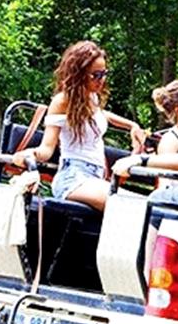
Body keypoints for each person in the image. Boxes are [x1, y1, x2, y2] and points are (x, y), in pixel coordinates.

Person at [12, 40, 147, 212]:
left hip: (97, 177)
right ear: (79, 74)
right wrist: (31, 154)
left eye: (104, 74)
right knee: (131, 207)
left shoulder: (92, 97)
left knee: (144, 206)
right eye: (95, 75)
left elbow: (100, 115)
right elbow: (47, 148)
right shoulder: (62, 101)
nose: (101, 80)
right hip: (73, 177)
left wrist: (132, 125)